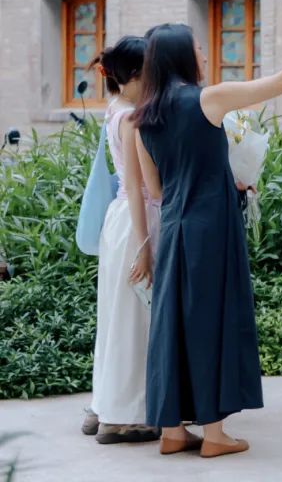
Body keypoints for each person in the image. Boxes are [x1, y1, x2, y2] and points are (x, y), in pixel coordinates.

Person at [133, 21, 282, 458]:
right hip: (211, 227)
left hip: (175, 227)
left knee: (174, 323)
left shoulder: (143, 118)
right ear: (182, 56)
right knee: (211, 321)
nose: (203, 55)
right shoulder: (206, 99)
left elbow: (156, 191)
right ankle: (215, 434)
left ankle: (173, 431)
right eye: (198, 48)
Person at [86, 37, 160, 445]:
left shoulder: (113, 107)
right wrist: (145, 245)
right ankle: (127, 417)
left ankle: (105, 407)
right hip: (136, 221)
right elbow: (136, 185)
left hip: (118, 222)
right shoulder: (132, 117)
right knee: (133, 322)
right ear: (134, 75)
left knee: (116, 318)